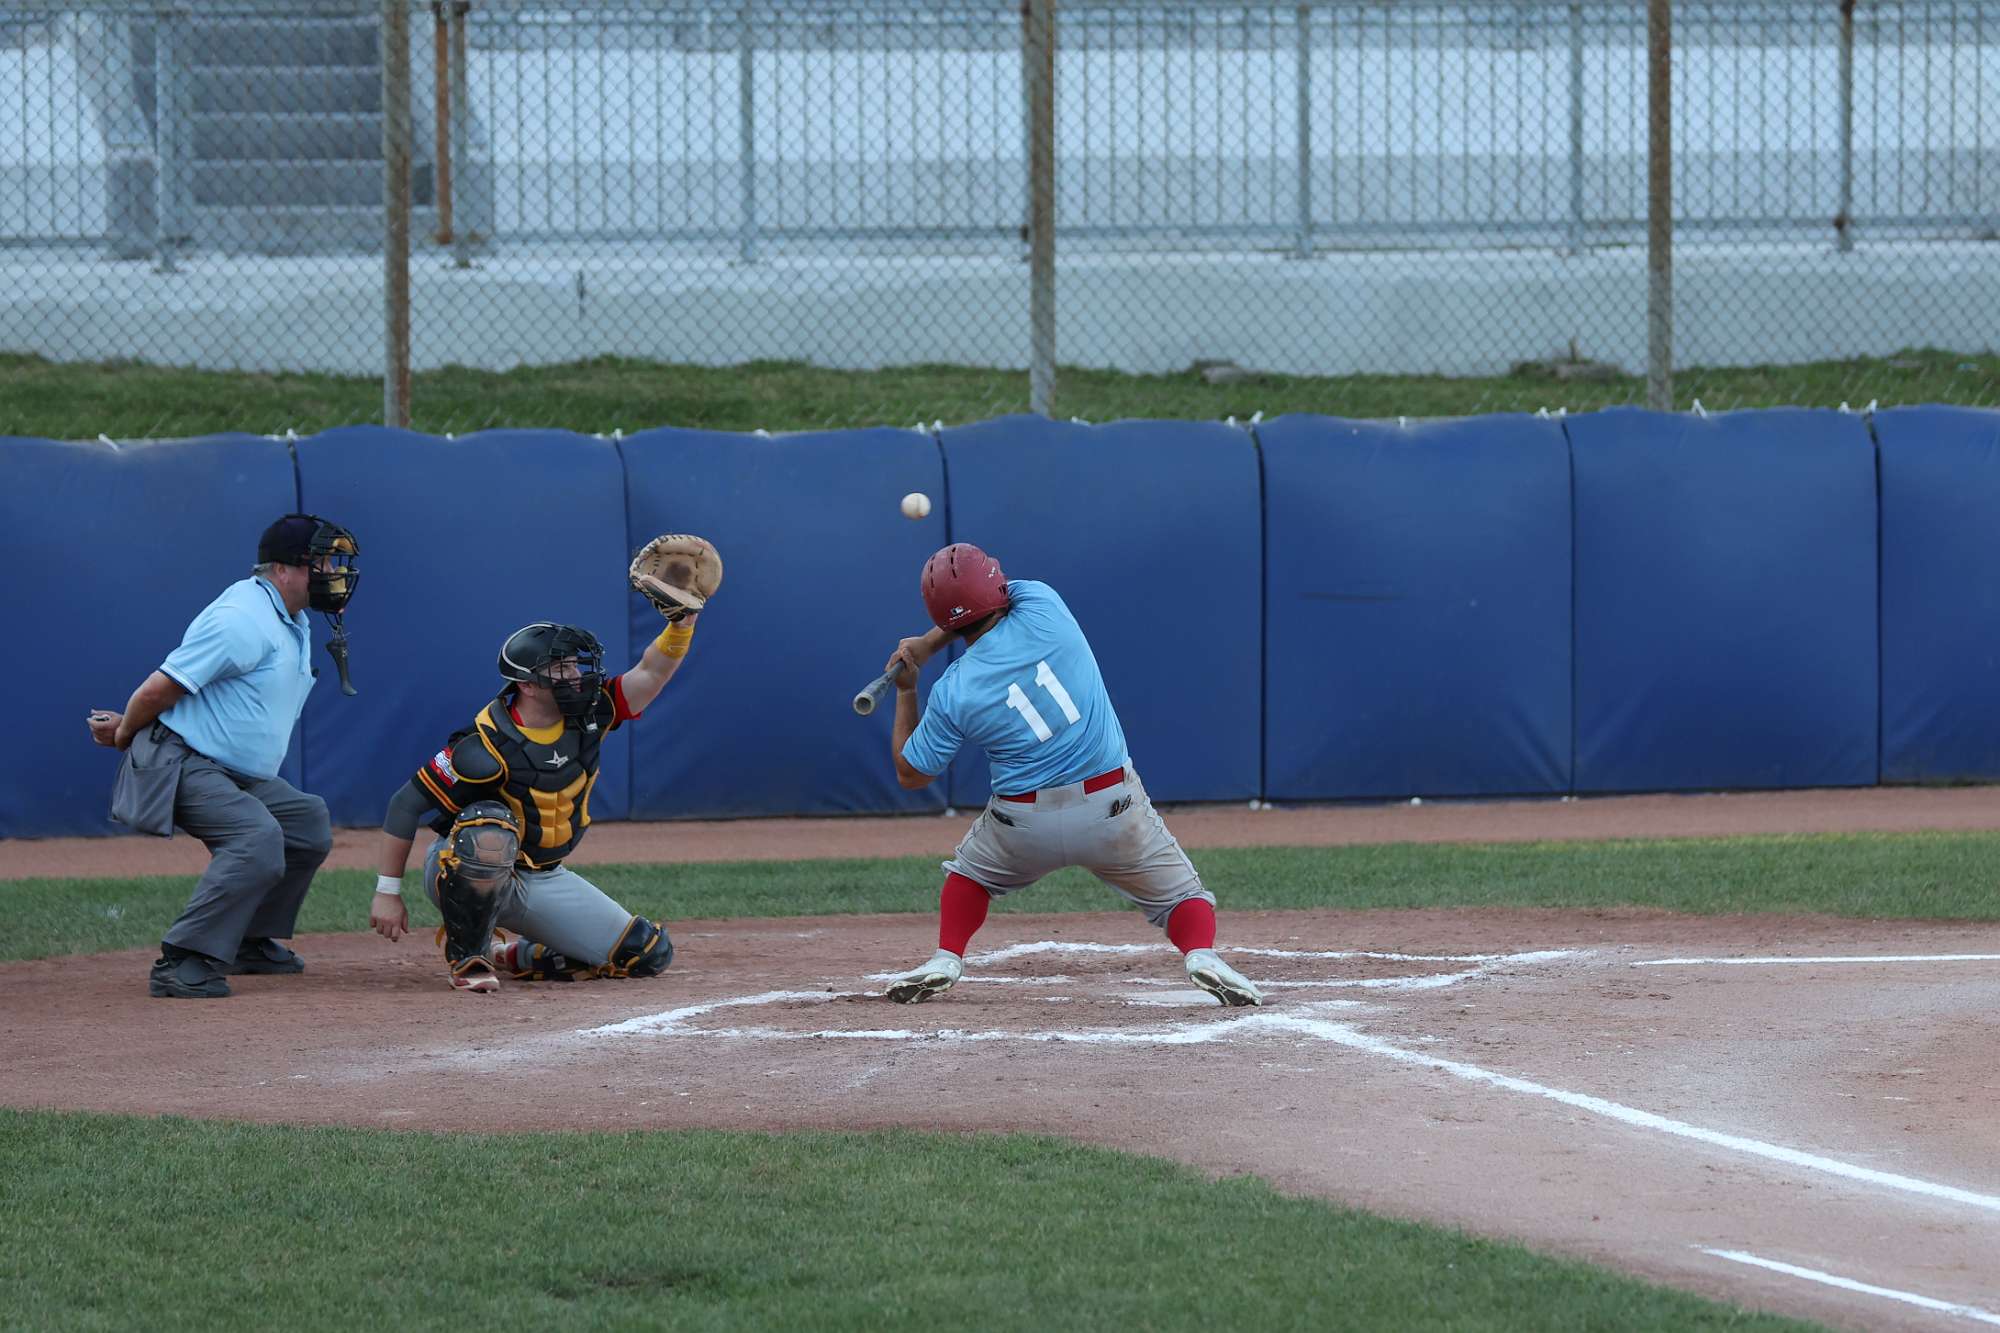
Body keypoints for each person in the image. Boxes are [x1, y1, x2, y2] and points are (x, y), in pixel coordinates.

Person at [880, 542, 1262, 1007]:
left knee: (970, 878)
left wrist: (908, 688)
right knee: (1183, 897)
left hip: (1022, 826)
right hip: (1112, 809)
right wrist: (932, 640)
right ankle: (1201, 953)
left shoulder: (952, 690)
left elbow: (912, 774)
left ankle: (946, 957)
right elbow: (987, 599)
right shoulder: (1045, 607)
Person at [87, 514, 361, 999]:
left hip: (233, 770)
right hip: (182, 760)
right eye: (319, 563)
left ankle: (247, 941)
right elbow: (158, 689)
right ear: (282, 570)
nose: (331, 573)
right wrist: (125, 733)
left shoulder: (291, 617)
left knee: (306, 825)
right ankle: (182, 960)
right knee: (256, 838)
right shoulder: (242, 618)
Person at [368, 617, 699, 992]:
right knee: (489, 829)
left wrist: (681, 626)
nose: (575, 675)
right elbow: (404, 804)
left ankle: (511, 955)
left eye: (574, 665)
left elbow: (652, 673)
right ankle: (468, 956)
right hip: (464, 868)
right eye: (561, 668)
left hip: (541, 875)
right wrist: (387, 893)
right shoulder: (485, 743)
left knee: (644, 953)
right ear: (526, 684)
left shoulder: (591, 712)